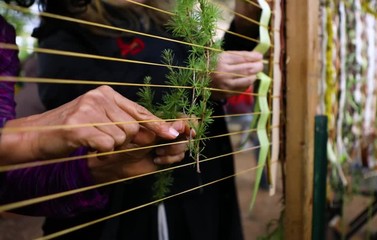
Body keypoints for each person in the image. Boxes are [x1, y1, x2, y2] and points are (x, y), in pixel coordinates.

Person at [12, 0, 262, 239]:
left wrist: (245, 26)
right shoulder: (66, 24)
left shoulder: (171, 21)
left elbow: (212, 68)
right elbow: (71, 89)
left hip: (194, 185)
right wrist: (193, 77)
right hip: (117, 197)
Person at [0, 0, 193, 219]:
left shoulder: (3, 37)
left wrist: (101, 168)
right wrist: (28, 139)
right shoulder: (63, 28)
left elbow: (7, 181)